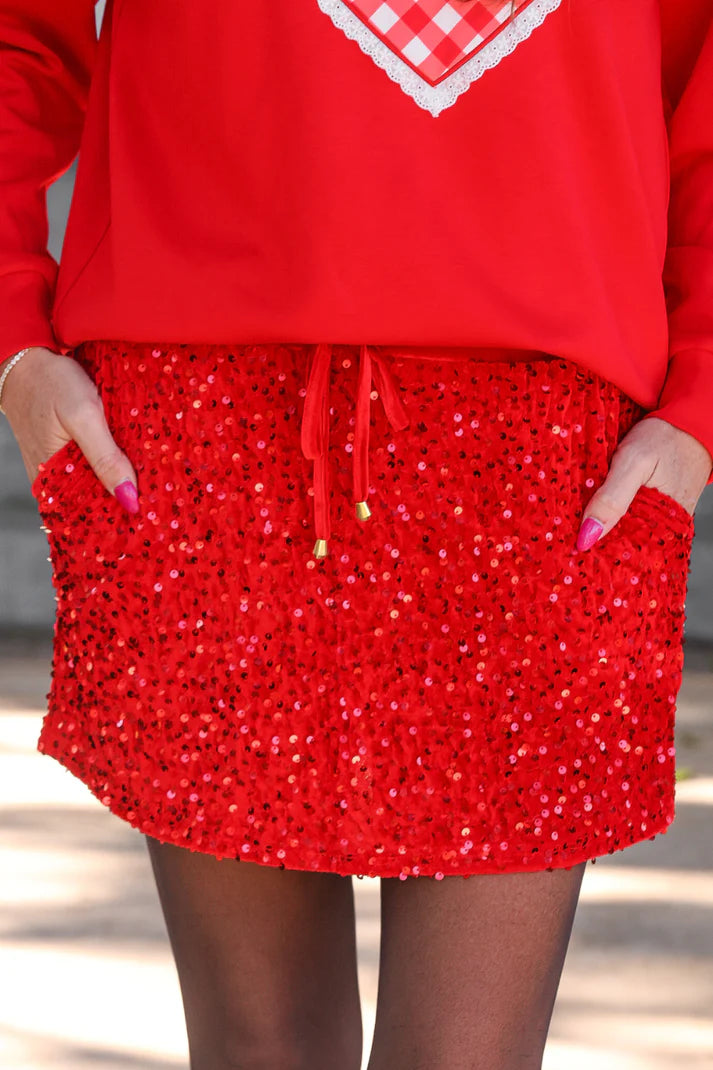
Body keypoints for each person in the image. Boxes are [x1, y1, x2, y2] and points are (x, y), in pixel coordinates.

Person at [1, 1, 712, 1067]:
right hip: (202, 422)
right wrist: (13, 336)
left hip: (548, 452)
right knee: (261, 1050)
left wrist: (699, 399)